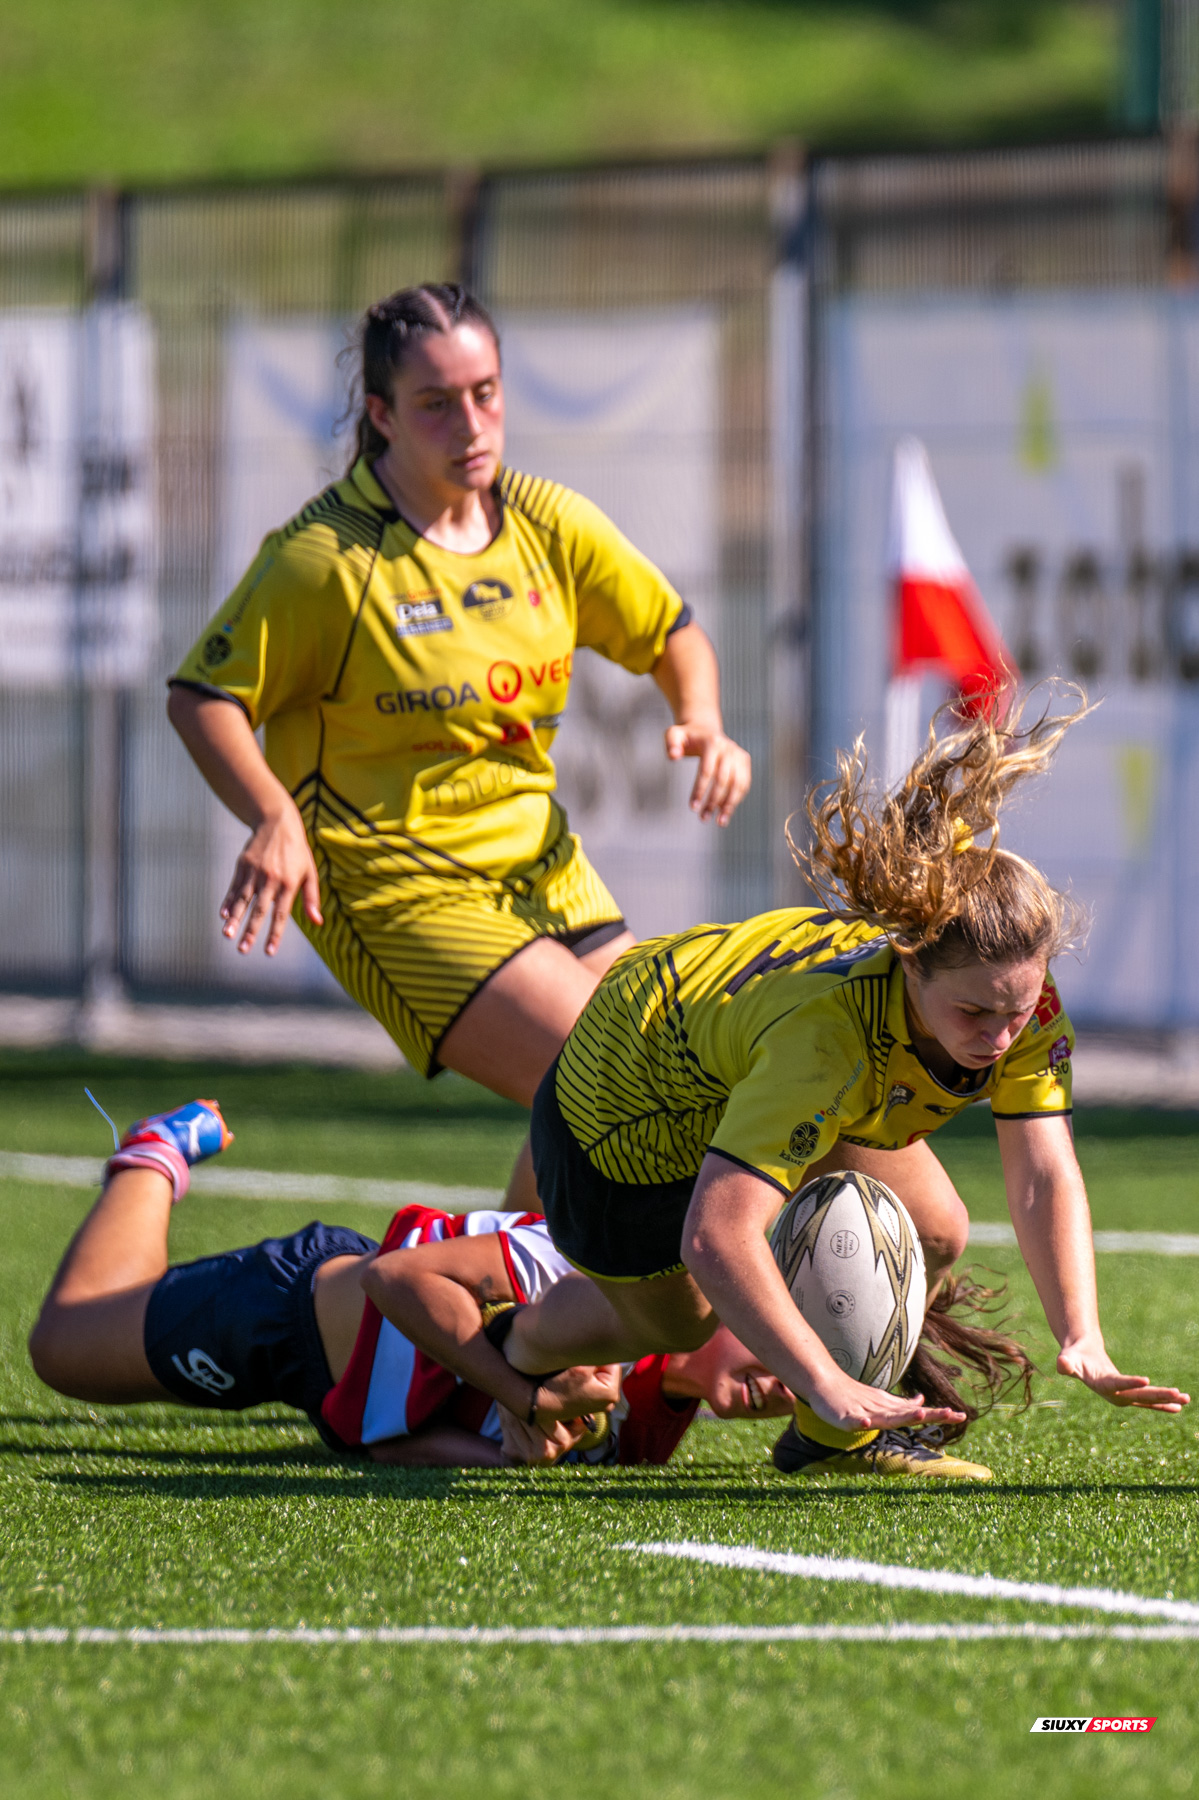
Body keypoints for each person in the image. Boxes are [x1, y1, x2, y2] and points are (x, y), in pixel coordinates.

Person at [492, 691, 1192, 1477]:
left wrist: (1080, 1334)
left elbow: (1041, 1175)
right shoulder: (825, 1042)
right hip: (620, 1107)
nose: (999, 1039)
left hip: (739, 1062)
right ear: (909, 966)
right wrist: (824, 1380)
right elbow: (715, 1236)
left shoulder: (1015, 999)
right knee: (679, 1321)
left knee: (934, 1229)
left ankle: (827, 1445)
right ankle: (516, 1342)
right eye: (972, 1013)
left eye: (1015, 1010)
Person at [165, 285, 752, 1210]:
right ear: (382, 415)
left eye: (485, 393)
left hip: (541, 866)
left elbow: (670, 629)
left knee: (672, 1067)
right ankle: (523, 1297)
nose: (470, 424)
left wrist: (704, 717)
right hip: (388, 879)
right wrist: (272, 814)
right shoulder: (327, 560)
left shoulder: (548, 524)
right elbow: (203, 698)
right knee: (615, 1073)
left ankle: (494, 1292)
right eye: (436, 403)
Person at [27, 1100, 794, 1470]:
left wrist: (507, 1460)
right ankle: (157, 1153)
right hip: (290, 1306)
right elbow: (396, 1277)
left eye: (807, 1385)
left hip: (331, 1397)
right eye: (789, 1352)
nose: (784, 1389)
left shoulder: (649, 1442)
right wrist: (520, 1395)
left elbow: (398, 1448)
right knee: (63, 1348)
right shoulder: (610, 1280)